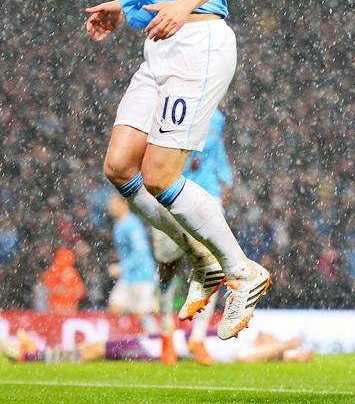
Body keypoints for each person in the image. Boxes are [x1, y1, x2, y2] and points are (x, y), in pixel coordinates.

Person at [85, 0, 270, 342]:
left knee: (162, 175)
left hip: (198, 40)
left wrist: (185, 7)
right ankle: (199, 256)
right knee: (120, 166)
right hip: (161, 43)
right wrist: (123, 8)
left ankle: (241, 270)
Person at [154, 108, 232, 365]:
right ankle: (167, 334)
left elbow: (217, 150)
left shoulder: (217, 117)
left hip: (207, 194)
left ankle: (197, 339)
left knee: (214, 268)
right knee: (168, 268)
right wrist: (185, 162)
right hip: (172, 194)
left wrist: (226, 180)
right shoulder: (173, 107)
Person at [1, 329, 314, 365]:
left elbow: (250, 359)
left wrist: (287, 344)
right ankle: (35, 352)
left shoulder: (244, 350)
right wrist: (292, 353)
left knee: (95, 350)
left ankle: (31, 355)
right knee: (95, 349)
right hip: (162, 341)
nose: (270, 333)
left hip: (161, 349)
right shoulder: (242, 335)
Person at [107, 194, 158, 334]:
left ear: (124, 204)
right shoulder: (118, 225)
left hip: (143, 275)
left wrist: (121, 267)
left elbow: (141, 252)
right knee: (115, 306)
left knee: (142, 313)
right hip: (129, 277)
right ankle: (141, 329)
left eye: (114, 203)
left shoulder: (132, 224)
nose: (110, 207)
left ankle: (157, 338)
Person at [41, 248, 86, 315]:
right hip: (67, 306)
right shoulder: (70, 272)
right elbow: (80, 292)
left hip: (55, 306)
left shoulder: (52, 271)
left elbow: (46, 286)